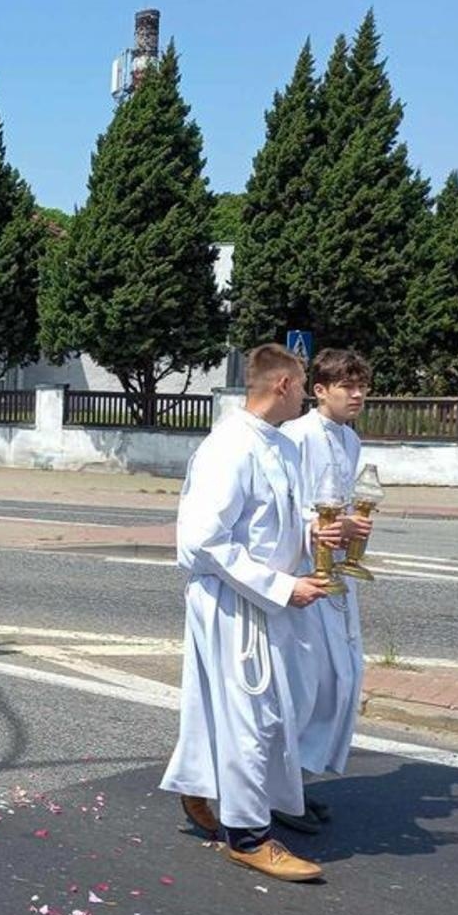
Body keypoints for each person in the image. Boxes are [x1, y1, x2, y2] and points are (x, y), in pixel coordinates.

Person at [158, 343, 341, 883]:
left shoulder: (278, 446)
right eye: (304, 383)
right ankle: (248, 836)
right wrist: (282, 586)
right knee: (250, 718)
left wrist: (316, 531)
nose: (308, 394)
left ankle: (201, 781)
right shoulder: (228, 448)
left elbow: (278, 517)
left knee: (267, 710)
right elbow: (203, 542)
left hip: (270, 602)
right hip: (235, 604)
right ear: (282, 384)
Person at [281, 348, 374, 825]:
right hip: (301, 573)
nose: (357, 395)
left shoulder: (350, 440)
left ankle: (295, 779)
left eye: (362, 386)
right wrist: (310, 528)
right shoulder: (294, 437)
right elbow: (279, 503)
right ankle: (278, 792)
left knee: (341, 677)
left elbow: (342, 500)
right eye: (348, 386)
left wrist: (354, 525)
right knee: (307, 682)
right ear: (320, 390)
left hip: (336, 573)